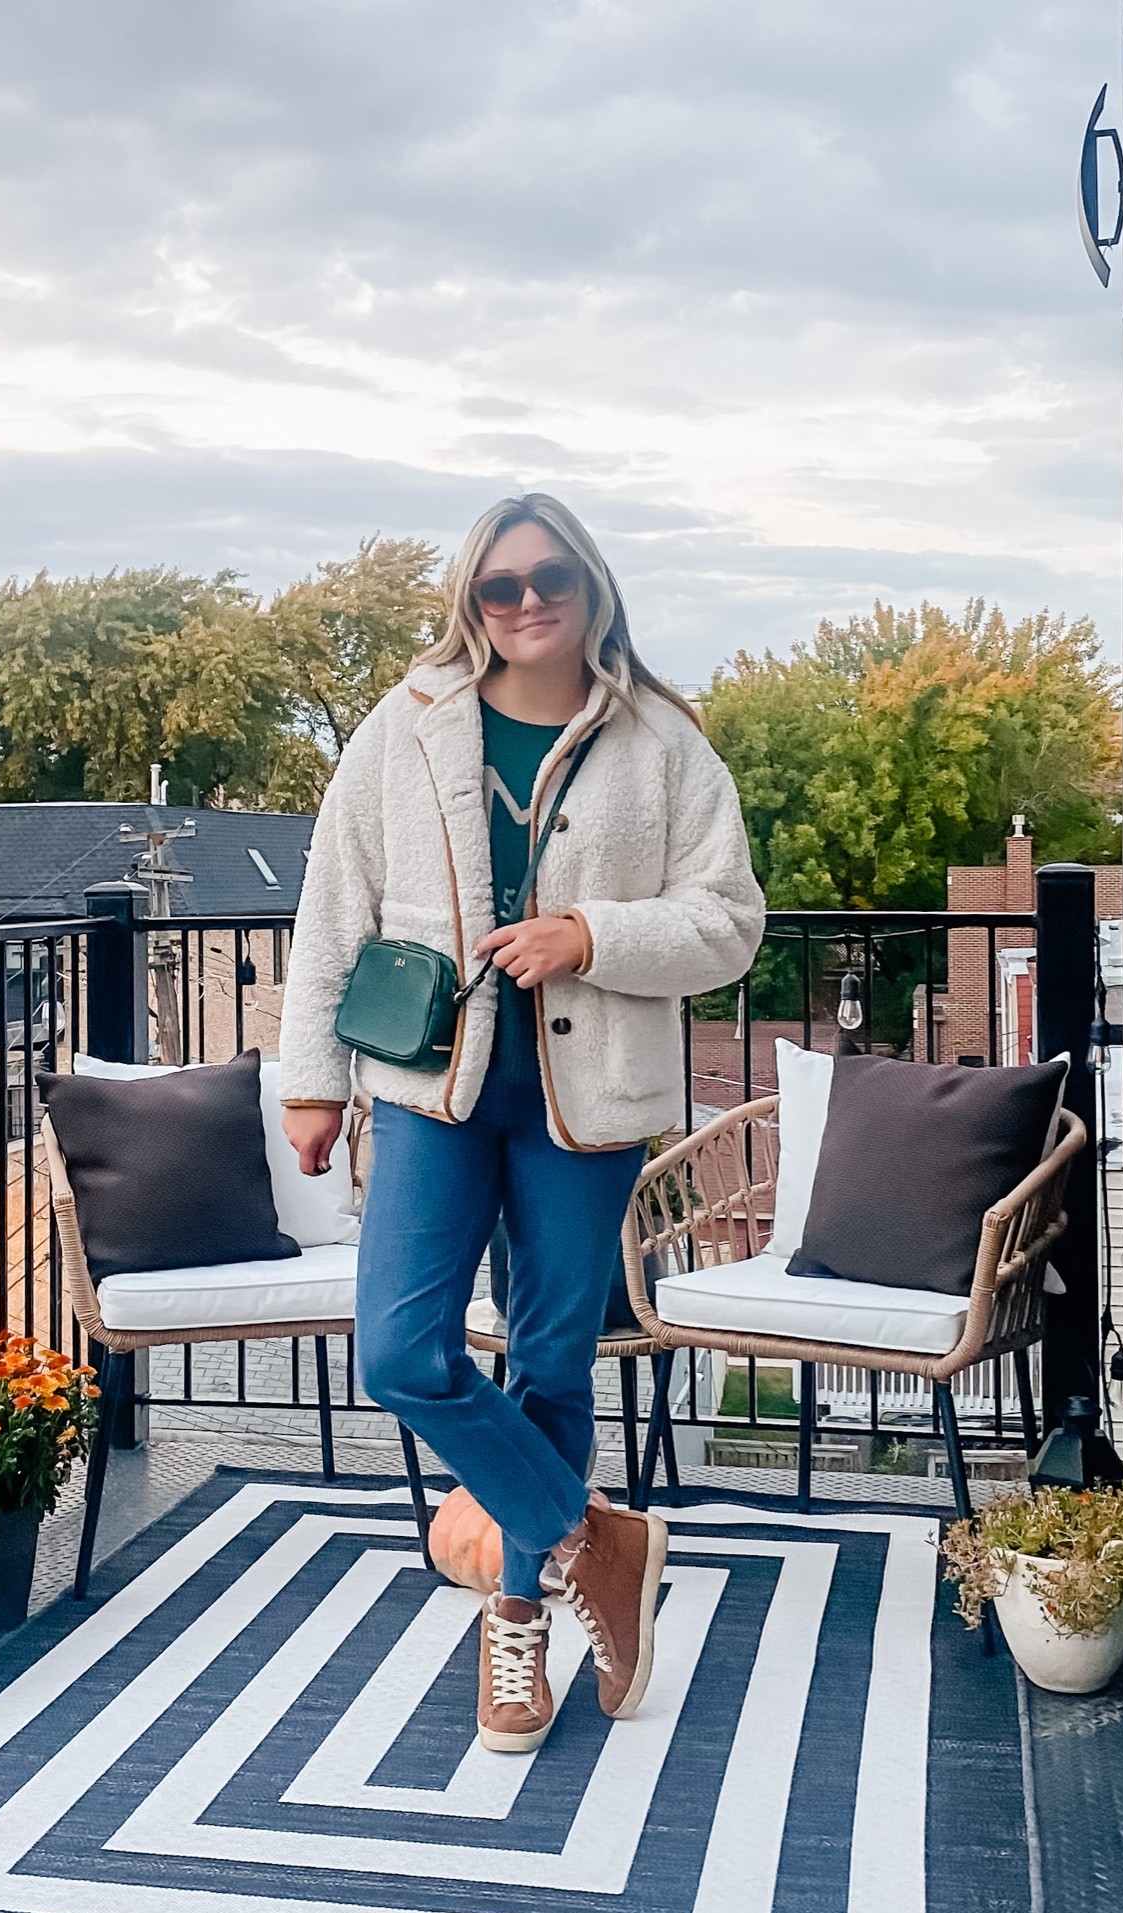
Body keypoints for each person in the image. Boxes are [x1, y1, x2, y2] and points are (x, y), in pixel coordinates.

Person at [279, 492, 764, 1751]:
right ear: (471, 603)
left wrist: (592, 935)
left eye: (550, 575)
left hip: (586, 1097)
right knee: (399, 1353)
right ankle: (593, 1537)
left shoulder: (660, 739)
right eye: (499, 585)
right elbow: (335, 896)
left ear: (591, 585)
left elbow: (727, 918)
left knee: (548, 1359)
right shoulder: (411, 720)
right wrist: (310, 1075)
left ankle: (518, 1632)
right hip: (431, 1086)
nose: (527, 600)